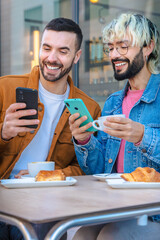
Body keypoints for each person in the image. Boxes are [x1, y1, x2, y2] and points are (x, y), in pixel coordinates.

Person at [0, 18, 101, 240]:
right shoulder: (3, 88)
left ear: (76, 57)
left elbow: (86, 170)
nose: (52, 58)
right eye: (46, 48)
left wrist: (52, 175)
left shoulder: (90, 109)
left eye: (63, 51)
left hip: (44, 207)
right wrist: (3, 133)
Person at [69, 13, 160, 240]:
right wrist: (84, 140)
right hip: (115, 208)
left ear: (148, 47)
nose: (114, 55)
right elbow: (98, 169)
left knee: (111, 236)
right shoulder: (112, 103)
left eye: (123, 46)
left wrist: (143, 136)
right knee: (79, 235)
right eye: (110, 48)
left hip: (151, 213)